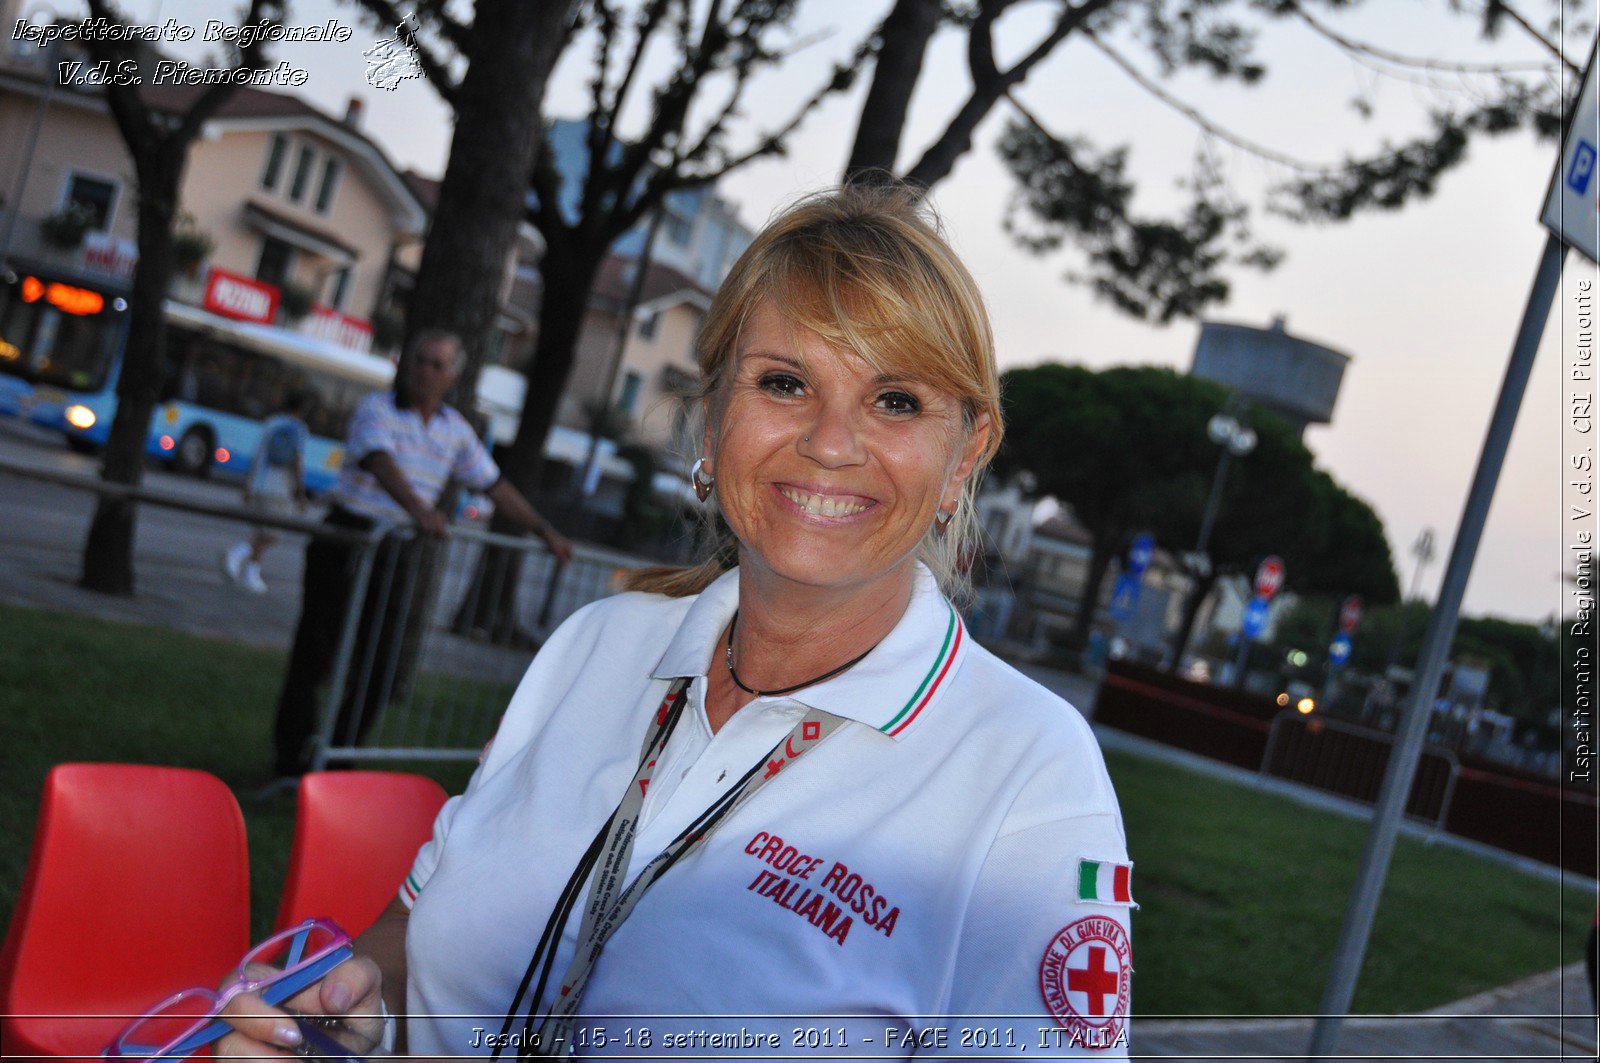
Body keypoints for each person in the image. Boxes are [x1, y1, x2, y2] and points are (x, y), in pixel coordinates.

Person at [224, 188, 1134, 1057]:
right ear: (712, 420)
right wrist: (338, 1010)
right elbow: (415, 925)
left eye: (896, 401)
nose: (829, 442)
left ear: (965, 448)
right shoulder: (593, 645)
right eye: (784, 382)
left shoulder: (1030, 778)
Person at [270, 329, 574, 778]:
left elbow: (494, 485)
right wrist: (419, 509)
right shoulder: (377, 409)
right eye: (419, 361)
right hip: (349, 537)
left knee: (381, 659)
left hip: (395, 549)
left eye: (437, 365)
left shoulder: (455, 429)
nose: (425, 372)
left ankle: (337, 757)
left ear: (453, 377)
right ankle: (290, 760)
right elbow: (378, 460)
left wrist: (544, 531)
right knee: (315, 653)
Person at [223, 390, 312, 593]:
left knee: (261, 531)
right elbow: (296, 461)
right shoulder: (298, 428)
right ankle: (237, 553)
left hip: (258, 484)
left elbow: (258, 456)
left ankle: (251, 574)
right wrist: (300, 491)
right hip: (279, 489)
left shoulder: (272, 422)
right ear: (302, 409)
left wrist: (247, 485)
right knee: (274, 535)